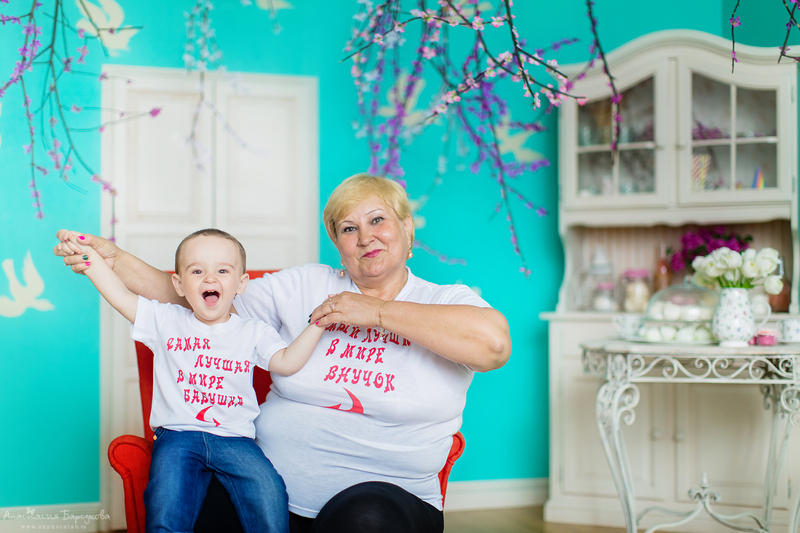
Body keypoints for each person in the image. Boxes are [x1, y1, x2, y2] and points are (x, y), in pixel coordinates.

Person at [55, 173, 512, 533]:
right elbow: (195, 299)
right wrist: (114, 261)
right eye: (348, 228)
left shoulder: (444, 300)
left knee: (367, 519)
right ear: (338, 244)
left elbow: (493, 345)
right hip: (267, 490)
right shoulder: (306, 284)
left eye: (378, 220)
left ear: (406, 228)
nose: (365, 237)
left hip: (385, 501)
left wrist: (375, 311)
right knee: (194, 507)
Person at [66, 228, 325, 533]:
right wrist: (90, 260)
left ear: (241, 283)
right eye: (197, 271)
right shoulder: (165, 320)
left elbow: (287, 362)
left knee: (269, 493)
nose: (210, 278)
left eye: (223, 271)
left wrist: (318, 323)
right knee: (166, 501)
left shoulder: (254, 331)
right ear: (179, 284)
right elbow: (120, 296)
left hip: (235, 439)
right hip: (178, 437)